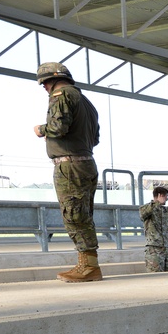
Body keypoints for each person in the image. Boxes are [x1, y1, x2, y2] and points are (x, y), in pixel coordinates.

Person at [33, 62, 103, 282]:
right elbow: (95, 139)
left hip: (69, 166)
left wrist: (41, 129)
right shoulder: (86, 102)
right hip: (86, 162)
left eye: (44, 84)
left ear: (50, 81)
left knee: (74, 216)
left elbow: (58, 127)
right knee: (83, 216)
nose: (44, 89)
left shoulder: (61, 95)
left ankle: (89, 267)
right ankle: (88, 264)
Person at [138, 187, 168, 272]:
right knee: (155, 275)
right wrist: (157, 202)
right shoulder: (146, 208)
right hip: (154, 249)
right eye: (166, 196)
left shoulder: (164, 210)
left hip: (166, 248)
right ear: (159, 195)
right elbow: (142, 215)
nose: (167, 198)